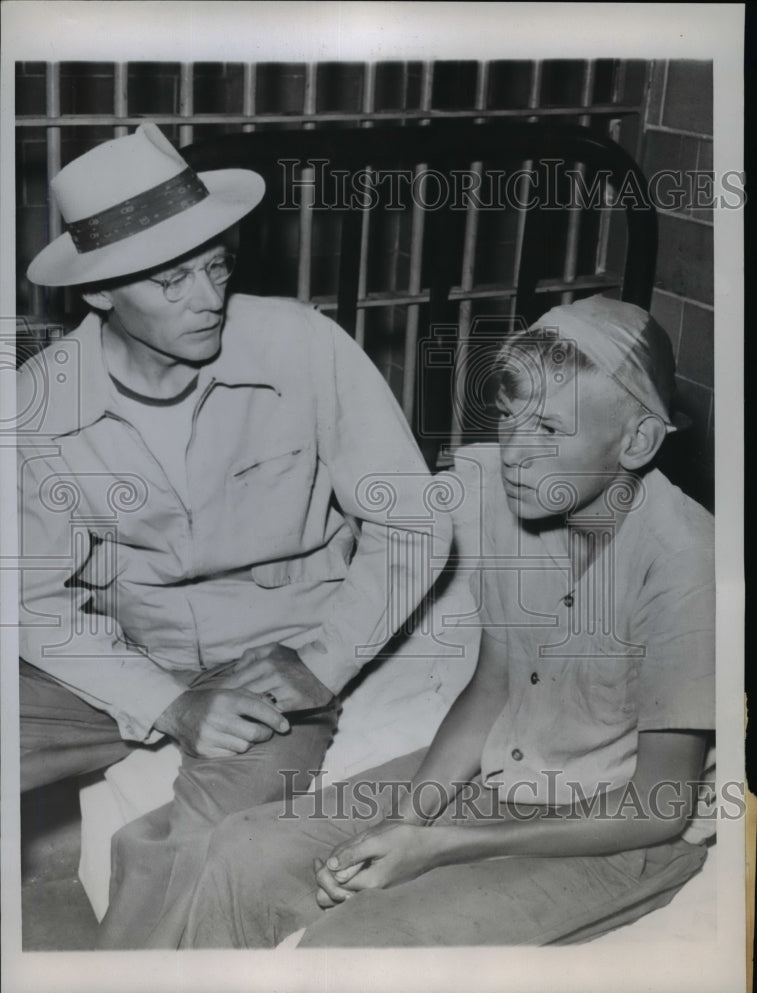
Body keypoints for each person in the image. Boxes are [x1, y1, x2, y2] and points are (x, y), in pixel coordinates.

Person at [18, 122, 451, 947]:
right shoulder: (40, 401)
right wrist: (168, 705)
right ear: (100, 292)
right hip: (122, 653)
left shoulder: (303, 345)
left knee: (209, 855)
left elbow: (411, 519)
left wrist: (323, 664)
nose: (207, 297)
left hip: (274, 660)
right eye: (172, 280)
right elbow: (30, 600)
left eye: (216, 265)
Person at [180, 294, 715, 949]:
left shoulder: (687, 560)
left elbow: (658, 806)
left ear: (636, 441)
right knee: (245, 848)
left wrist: (437, 846)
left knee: (358, 943)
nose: (514, 452)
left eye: (549, 429)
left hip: (611, 827)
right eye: (508, 418)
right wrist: (402, 825)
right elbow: (492, 686)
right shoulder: (505, 495)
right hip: (499, 773)